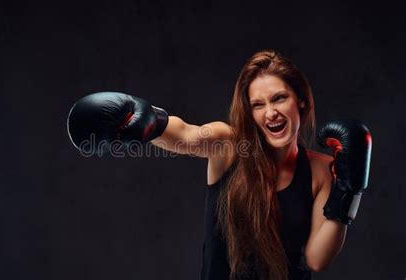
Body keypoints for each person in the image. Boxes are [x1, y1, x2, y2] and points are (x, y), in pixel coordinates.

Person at [66, 50, 372, 280]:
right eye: (258, 104)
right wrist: (146, 121)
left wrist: (349, 192)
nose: (271, 114)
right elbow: (186, 134)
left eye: (279, 98)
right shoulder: (229, 145)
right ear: (249, 112)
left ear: (300, 100)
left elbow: (317, 259)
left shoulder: (322, 170)